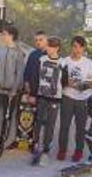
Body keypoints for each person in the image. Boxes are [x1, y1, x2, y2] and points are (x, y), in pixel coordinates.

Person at [58, 36, 92, 163]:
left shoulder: (88, 62)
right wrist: (67, 83)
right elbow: (59, 79)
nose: (77, 49)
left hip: (82, 99)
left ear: (84, 48)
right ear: (71, 47)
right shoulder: (64, 61)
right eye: (75, 46)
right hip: (67, 97)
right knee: (64, 125)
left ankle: (78, 151)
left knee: (80, 127)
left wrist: (86, 85)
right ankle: (62, 150)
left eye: (80, 47)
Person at [25, 36, 66, 166]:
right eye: (47, 46)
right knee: (38, 121)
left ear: (57, 48)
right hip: (41, 96)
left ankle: (46, 149)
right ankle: (36, 145)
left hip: (55, 97)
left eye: (50, 46)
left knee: (50, 124)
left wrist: (57, 90)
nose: (47, 48)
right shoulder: (41, 59)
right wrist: (32, 93)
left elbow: (64, 80)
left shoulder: (63, 62)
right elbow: (36, 77)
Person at [0, 25, 26, 152]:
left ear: (11, 36)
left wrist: (14, 89)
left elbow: (19, 73)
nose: (2, 36)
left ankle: (1, 142)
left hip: (11, 91)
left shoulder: (19, 53)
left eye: (5, 34)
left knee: (7, 117)